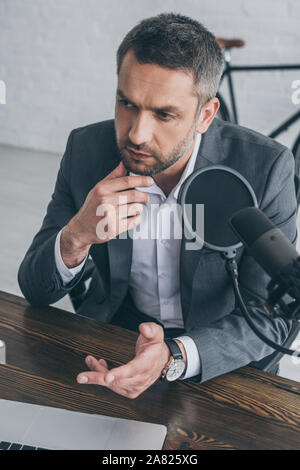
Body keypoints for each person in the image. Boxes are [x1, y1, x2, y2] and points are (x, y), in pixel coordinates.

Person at [18, 13, 298, 399]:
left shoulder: (265, 169)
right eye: (126, 103)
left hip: (223, 361)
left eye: (164, 114)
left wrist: (175, 356)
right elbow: (34, 289)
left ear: (205, 115)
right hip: (115, 339)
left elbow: (273, 317)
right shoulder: (86, 150)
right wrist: (76, 237)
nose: (136, 133)